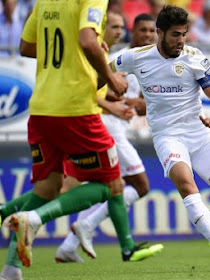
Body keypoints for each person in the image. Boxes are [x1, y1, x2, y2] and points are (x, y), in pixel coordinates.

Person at [0, 1, 146, 279]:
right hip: (76, 108)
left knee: (48, 188)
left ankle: (10, 269)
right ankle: (35, 219)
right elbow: (88, 41)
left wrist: (73, 51)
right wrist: (110, 77)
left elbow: (26, 47)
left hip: (42, 107)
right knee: (111, 185)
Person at [111, 5, 210, 270]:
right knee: (185, 182)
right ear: (159, 33)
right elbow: (102, 69)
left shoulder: (194, 57)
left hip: (199, 132)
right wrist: (107, 85)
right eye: (175, 35)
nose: (181, 41)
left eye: (184, 34)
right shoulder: (136, 57)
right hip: (167, 136)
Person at [55, 12, 162, 263]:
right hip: (106, 127)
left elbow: (145, 105)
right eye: (142, 30)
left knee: (112, 188)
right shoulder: (116, 60)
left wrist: (138, 103)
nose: (147, 35)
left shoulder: (154, 65)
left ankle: (69, 245)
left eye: (151, 31)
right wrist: (125, 102)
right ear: (131, 32)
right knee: (140, 185)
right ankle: (84, 226)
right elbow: (93, 93)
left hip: (118, 128)